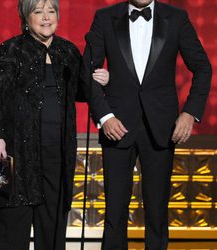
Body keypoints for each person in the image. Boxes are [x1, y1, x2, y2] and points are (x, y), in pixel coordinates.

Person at [82, 0, 212, 249]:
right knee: (115, 212)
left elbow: (203, 68)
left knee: (157, 211)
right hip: (116, 127)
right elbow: (87, 70)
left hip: (162, 128)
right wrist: (105, 116)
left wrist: (189, 113)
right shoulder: (105, 17)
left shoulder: (176, 18)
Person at [0, 0, 109, 249]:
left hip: (57, 153)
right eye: (38, 11)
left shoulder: (68, 51)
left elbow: (82, 91)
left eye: (51, 11)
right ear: (26, 18)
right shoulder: (9, 50)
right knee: (10, 225)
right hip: (11, 153)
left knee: (52, 223)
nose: (46, 17)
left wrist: (102, 79)